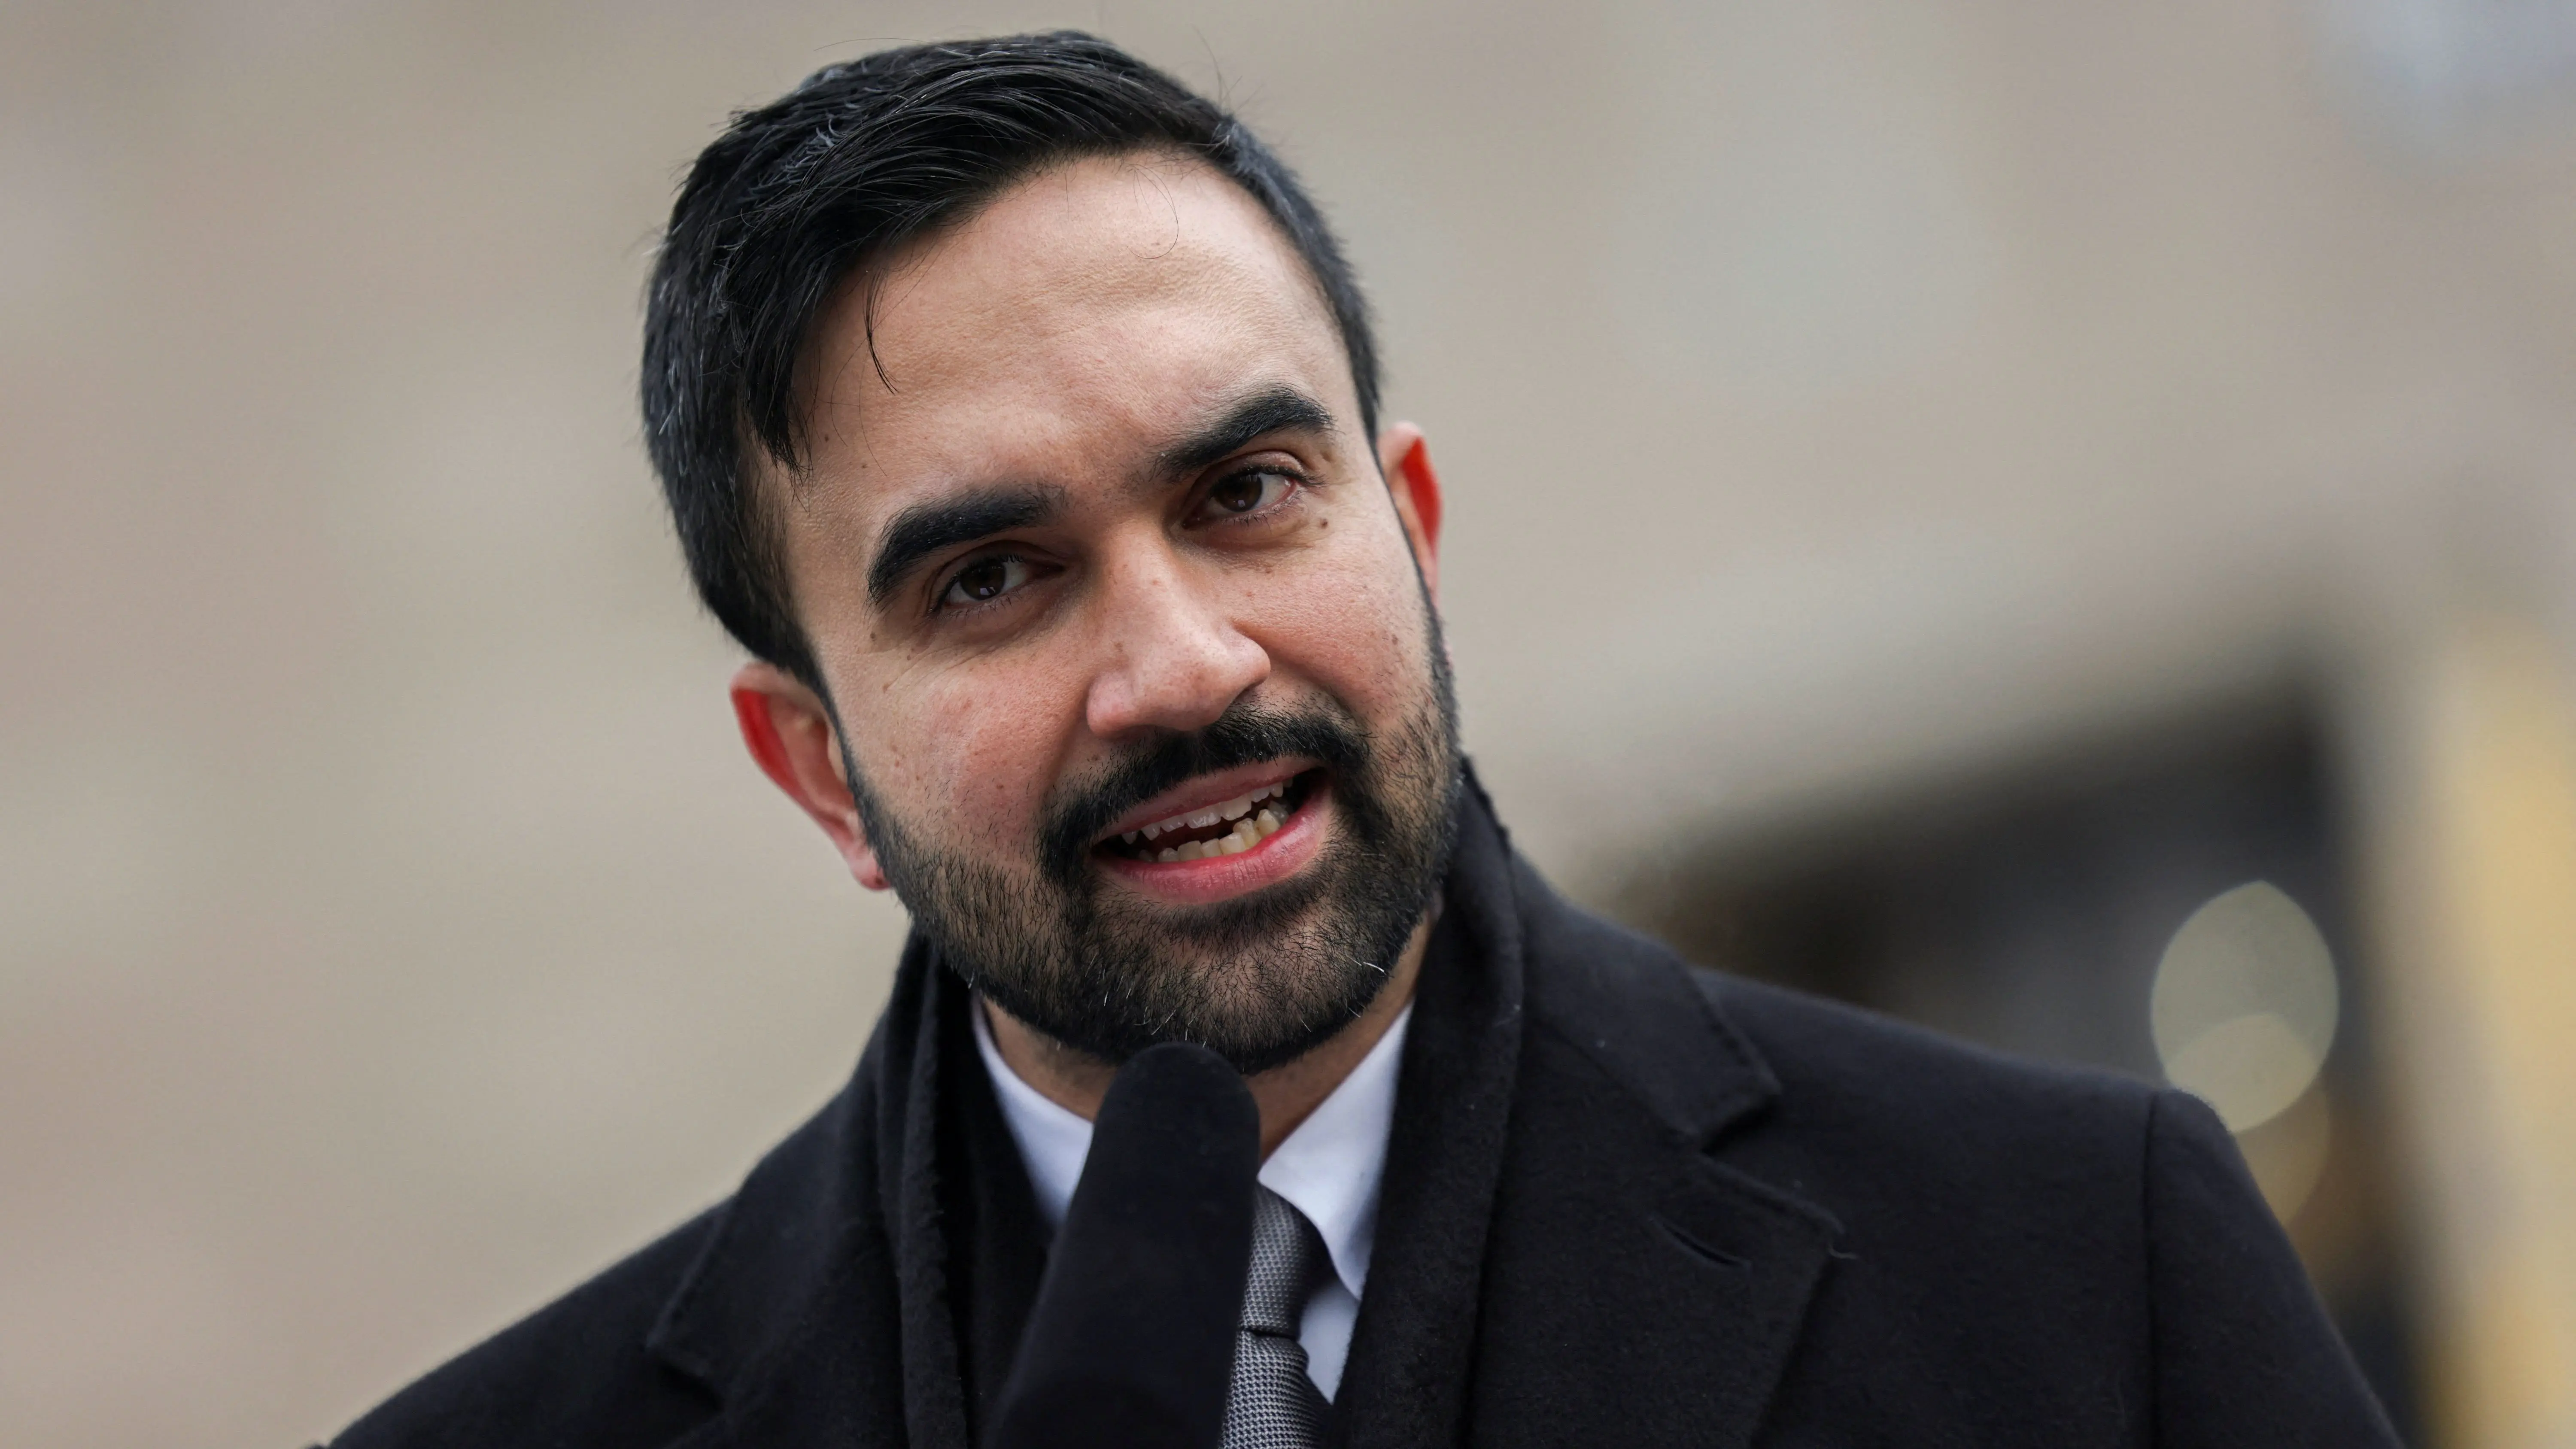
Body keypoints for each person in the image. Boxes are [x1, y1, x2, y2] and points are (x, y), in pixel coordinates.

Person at [330, 32, 2399, 1448]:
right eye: (992, 582)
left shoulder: (2078, 1269)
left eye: (1244, 496)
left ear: (1407, 526)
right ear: (812, 769)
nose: (1180, 665)